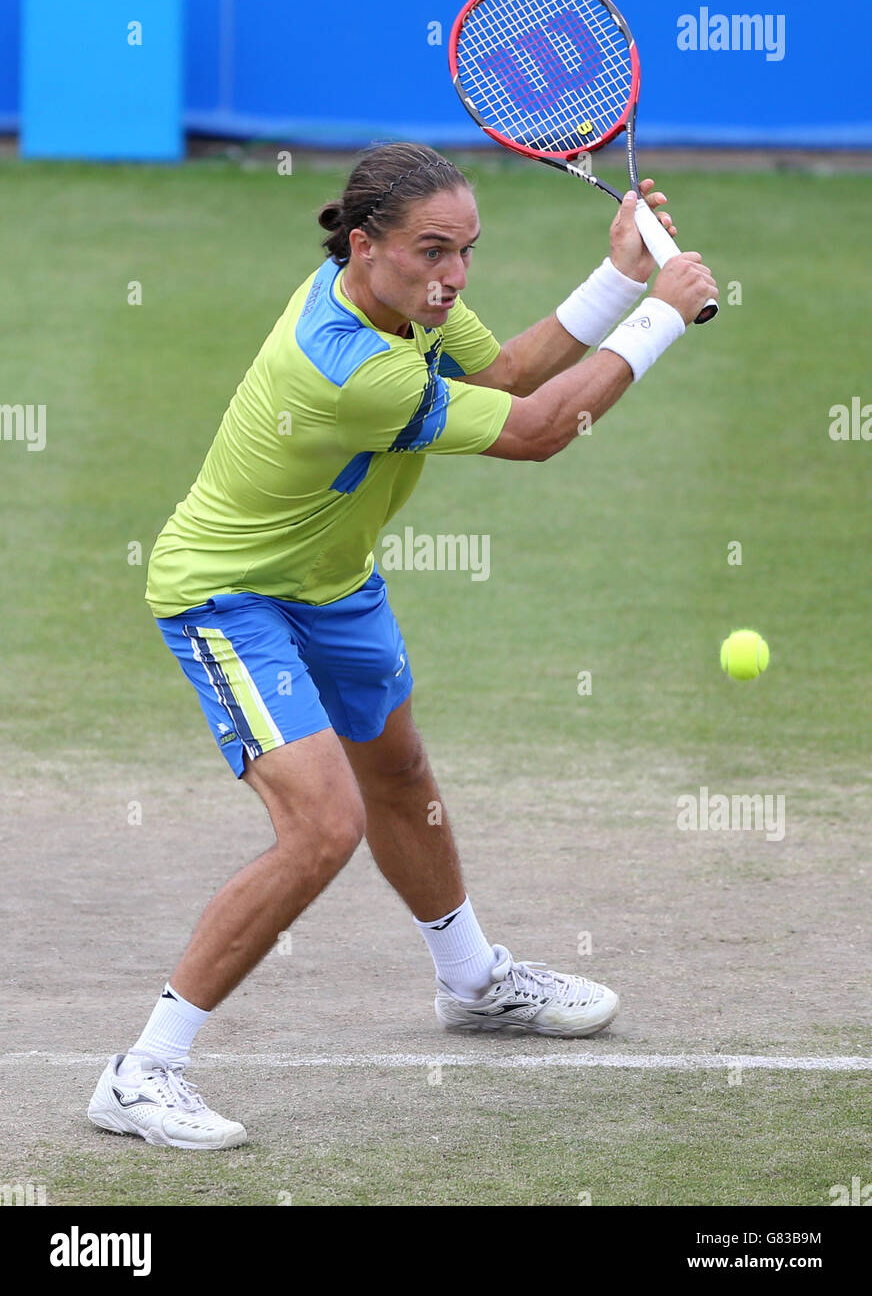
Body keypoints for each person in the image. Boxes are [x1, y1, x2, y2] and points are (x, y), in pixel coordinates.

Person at [87, 142, 718, 1149]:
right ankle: (142, 1069)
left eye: (466, 251)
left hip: (334, 585)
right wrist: (660, 316)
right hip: (229, 596)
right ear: (365, 242)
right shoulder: (347, 366)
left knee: (398, 769)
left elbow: (505, 370)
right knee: (322, 825)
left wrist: (616, 275)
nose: (454, 277)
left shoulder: (406, 301)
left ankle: (471, 980)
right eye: (434, 252)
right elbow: (536, 428)